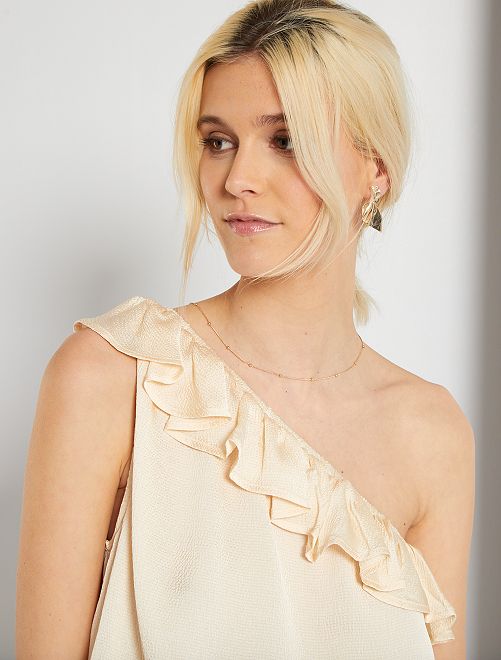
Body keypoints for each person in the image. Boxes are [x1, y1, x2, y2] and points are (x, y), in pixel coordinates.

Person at [16, 1, 475, 658]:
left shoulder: (431, 432)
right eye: (218, 141)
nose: (236, 180)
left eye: (285, 140)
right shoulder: (112, 375)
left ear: (376, 168)